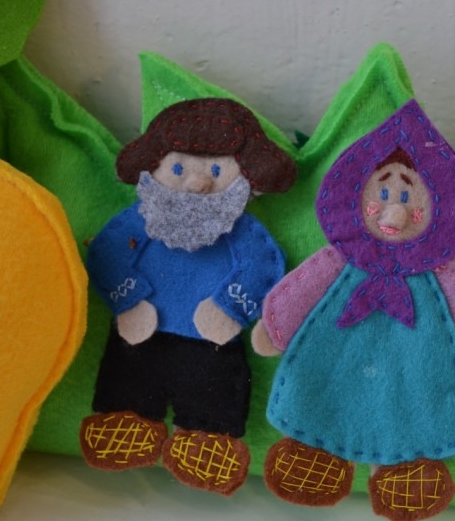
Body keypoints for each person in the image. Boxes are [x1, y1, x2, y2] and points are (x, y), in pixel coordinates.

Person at [251, 100, 455, 521]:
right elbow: (302, 289)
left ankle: (402, 472)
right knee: (326, 390)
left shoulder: (441, 271)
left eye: (409, 198)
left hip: (414, 355)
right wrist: (276, 326)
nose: (395, 212)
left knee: (411, 403)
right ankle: (316, 456)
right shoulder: (341, 257)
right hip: (337, 348)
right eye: (383, 195)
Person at [80, 97, 296, 495]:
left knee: (211, 397)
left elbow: (260, 269)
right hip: (142, 330)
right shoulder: (138, 221)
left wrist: (229, 308)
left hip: (209, 338)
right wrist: (129, 300)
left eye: (216, 171)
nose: (198, 184)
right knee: (129, 383)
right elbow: (109, 257)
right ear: (154, 166)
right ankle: (126, 427)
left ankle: (207, 446)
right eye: (179, 169)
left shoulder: (242, 232)